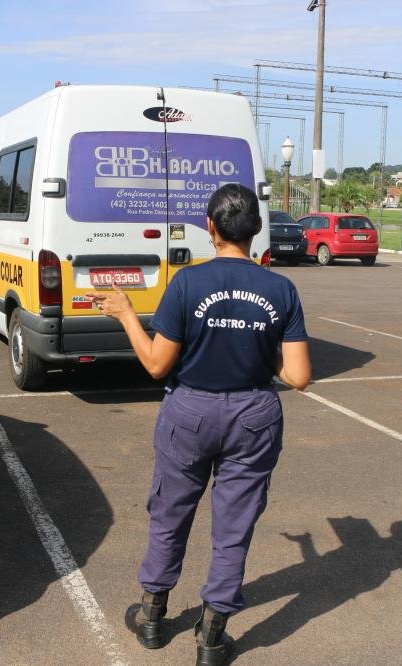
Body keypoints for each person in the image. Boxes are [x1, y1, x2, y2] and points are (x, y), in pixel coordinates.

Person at [86, 184, 311, 665]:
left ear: (210, 227)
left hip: (189, 412)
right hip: (254, 415)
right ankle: (212, 636)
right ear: (255, 229)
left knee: (170, 515)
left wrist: (126, 314)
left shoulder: (187, 284)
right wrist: (255, 346)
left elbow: (155, 365)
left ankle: (152, 616)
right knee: (234, 527)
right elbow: (299, 376)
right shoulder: (281, 289)